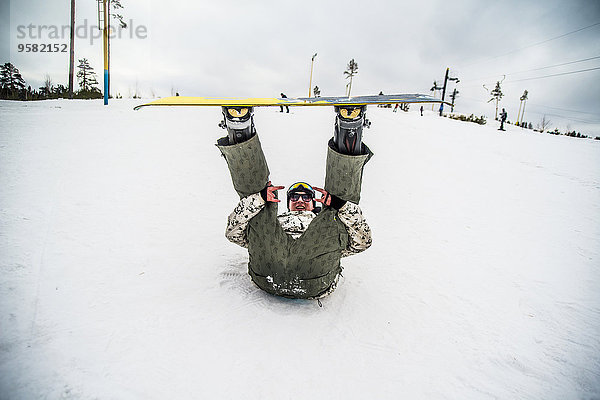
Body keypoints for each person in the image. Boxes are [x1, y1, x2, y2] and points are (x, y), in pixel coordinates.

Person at [216, 105, 373, 300]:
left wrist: (340, 206)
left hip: (314, 276)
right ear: (288, 203)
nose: (300, 200)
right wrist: (260, 199)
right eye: (295, 197)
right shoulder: (277, 222)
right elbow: (232, 232)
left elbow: (362, 242)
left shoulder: (321, 223)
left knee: (335, 211)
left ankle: (349, 127)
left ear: (312, 203)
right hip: (268, 269)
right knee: (259, 205)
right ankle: (240, 126)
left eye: (306, 197)